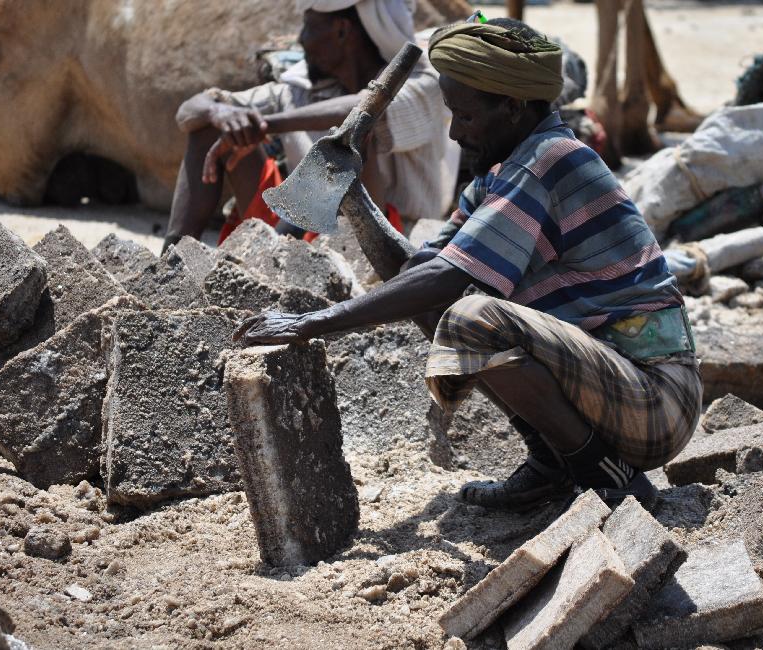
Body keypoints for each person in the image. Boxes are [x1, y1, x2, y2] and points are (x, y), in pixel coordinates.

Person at [235, 18, 702, 511]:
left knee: (470, 317)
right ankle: (552, 463)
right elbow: (420, 272)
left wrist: (312, 323)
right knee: (440, 312)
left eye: (467, 116)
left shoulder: (551, 158)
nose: (455, 133)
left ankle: (609, 476)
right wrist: (356, 201)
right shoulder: (497, 177)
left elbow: (447, 280)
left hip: (656, 398)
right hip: (609, 385)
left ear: (514, 107)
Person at [162, 0, 453, 251]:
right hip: (294, 227)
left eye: (308, 26)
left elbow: (364, 107)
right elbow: (189, 111)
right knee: (213, 127)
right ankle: (172, 263)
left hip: (385, 236)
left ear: (341, 31)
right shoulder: (299, 88)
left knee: (355, 134)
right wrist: (219, 112)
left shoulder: (424, 83)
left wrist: (262, 125)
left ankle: (279, 256)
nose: (301, 39)